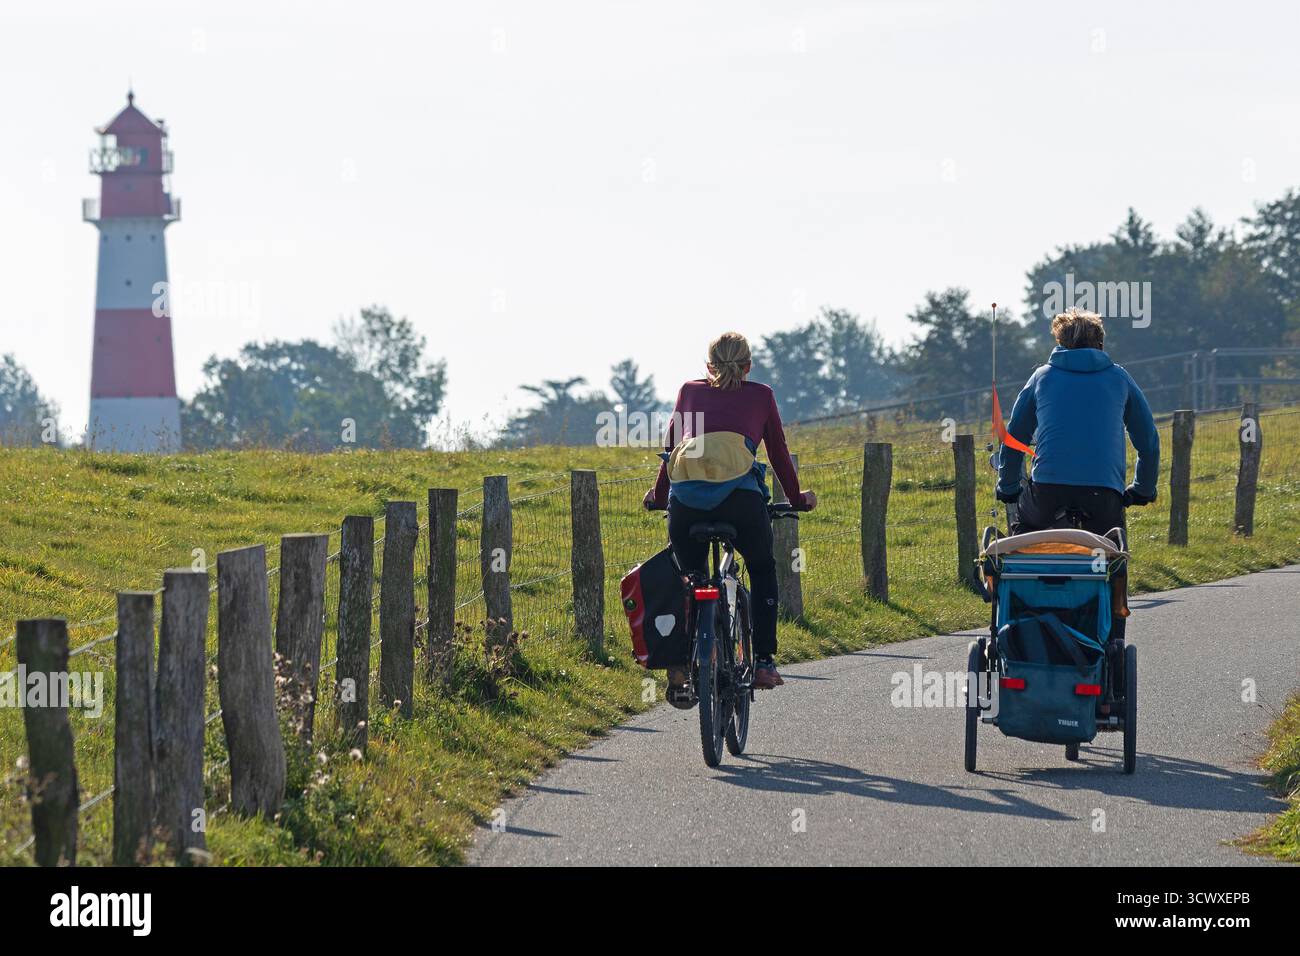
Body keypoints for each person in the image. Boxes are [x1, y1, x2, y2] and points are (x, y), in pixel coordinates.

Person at [644, 332, 816, 693]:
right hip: (742, 503)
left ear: (708, 367)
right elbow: (778, 452)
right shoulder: (761, 395)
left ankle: (680, 663)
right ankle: (764, 663)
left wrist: (659, 497)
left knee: (686, 579)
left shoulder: (689, 391)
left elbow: (671, 451)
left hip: (687, 505)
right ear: (748, 366)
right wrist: (797, 497)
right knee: (762, 568)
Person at [995, 307, 1159, 666]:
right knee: (1112, 561)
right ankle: (1112, 648)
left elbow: (1014, 440)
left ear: (1060, 342)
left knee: (1023, 549)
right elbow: (1148, 441)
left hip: (1047, 490)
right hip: (1103, 494)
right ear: (1100, 343)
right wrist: (1142, 488)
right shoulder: (1119, 379)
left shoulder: (1042, 377)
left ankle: (1020, 633)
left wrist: (1007, 486)